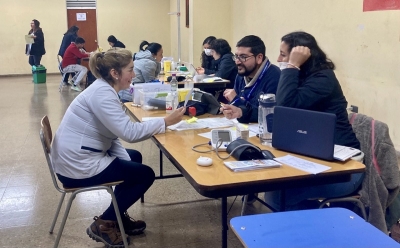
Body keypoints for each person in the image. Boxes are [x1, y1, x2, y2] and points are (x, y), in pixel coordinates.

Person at [51, 48, 186, 247]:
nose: (134, 74)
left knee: (135, 158)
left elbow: (113, 134)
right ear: (115, 73)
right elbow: (129, 133)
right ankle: (104, 224)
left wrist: (127, 158)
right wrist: (165, 122)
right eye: (130, 70)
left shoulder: (103, 88)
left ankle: (117, 217)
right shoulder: (102, 95)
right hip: (77, 166)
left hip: (79, 155)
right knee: (145, 175)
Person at [263, 31, 363, 211]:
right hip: (314, 157)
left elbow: (285, 106)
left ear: (302, 58)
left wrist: (292, 65)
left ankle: (304, 233)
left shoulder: (323, 78)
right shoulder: (301, 77)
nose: (278, 58)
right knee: (274, 184)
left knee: (278, 193)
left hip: (344, 170)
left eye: (284, 54)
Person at [220, 35, 281, 123]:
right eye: (236, 56)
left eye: (243, 57)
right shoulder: (241, 75)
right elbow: (238, 108)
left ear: (259, 58)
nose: (237, 61)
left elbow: (269, 114)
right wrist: (229, 109)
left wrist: (237, 100)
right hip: (242, 127)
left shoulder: (274, 76)